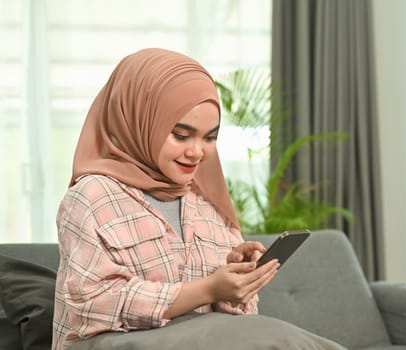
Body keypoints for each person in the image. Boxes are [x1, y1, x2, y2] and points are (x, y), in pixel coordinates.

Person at [53, 48, 347, 350]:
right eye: (181, 135)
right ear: (139, 122)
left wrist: (235, 286)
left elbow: (235, 324)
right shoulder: (92, 197)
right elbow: (92, 305)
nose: (197, 153)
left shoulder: (208, 204)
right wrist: (207, 288)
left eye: (209, 137)